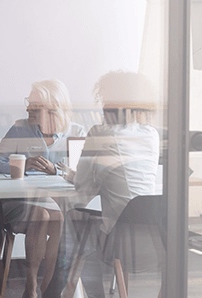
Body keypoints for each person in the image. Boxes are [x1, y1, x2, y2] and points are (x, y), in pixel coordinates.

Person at [45, 71, 160, 298]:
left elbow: (83, 188)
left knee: (76, 223)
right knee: (84, 227)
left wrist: (71, 175)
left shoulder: (100, 133)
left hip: (119, 242)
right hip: (153, 237)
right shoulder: (151, 134)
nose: (103, 107)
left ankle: (55, 293)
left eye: (106, 101)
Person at [0, 79, 85, 298]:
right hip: (22, 201)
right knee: (41, 215)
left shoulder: (76, 131)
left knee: (58, 218)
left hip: (57, 202)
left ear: (53, 107)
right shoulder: (21, 128)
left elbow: (81, 175)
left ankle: (48, 286)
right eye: (29, 102)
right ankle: (30, 286)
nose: (28, 108)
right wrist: (22, 164)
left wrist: (56, 172)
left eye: (35, 104)